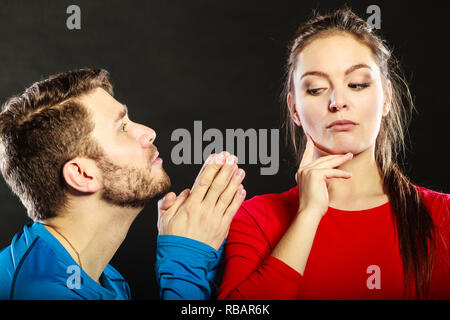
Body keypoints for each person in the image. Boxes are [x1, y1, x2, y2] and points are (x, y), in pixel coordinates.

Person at [218, 8, 450, 300]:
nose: (338, 102)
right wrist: (308, 214)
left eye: (357, 85)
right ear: (294, 110)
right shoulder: (255, 219)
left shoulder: (443, 217)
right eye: (315, 89)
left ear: (387, 98)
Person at [0, 69, 246, 299]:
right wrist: (184, 263)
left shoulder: (103, 278)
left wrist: (205, 252)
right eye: (122, 128)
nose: (149, 132)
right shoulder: (42, 292)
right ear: (82, 175)